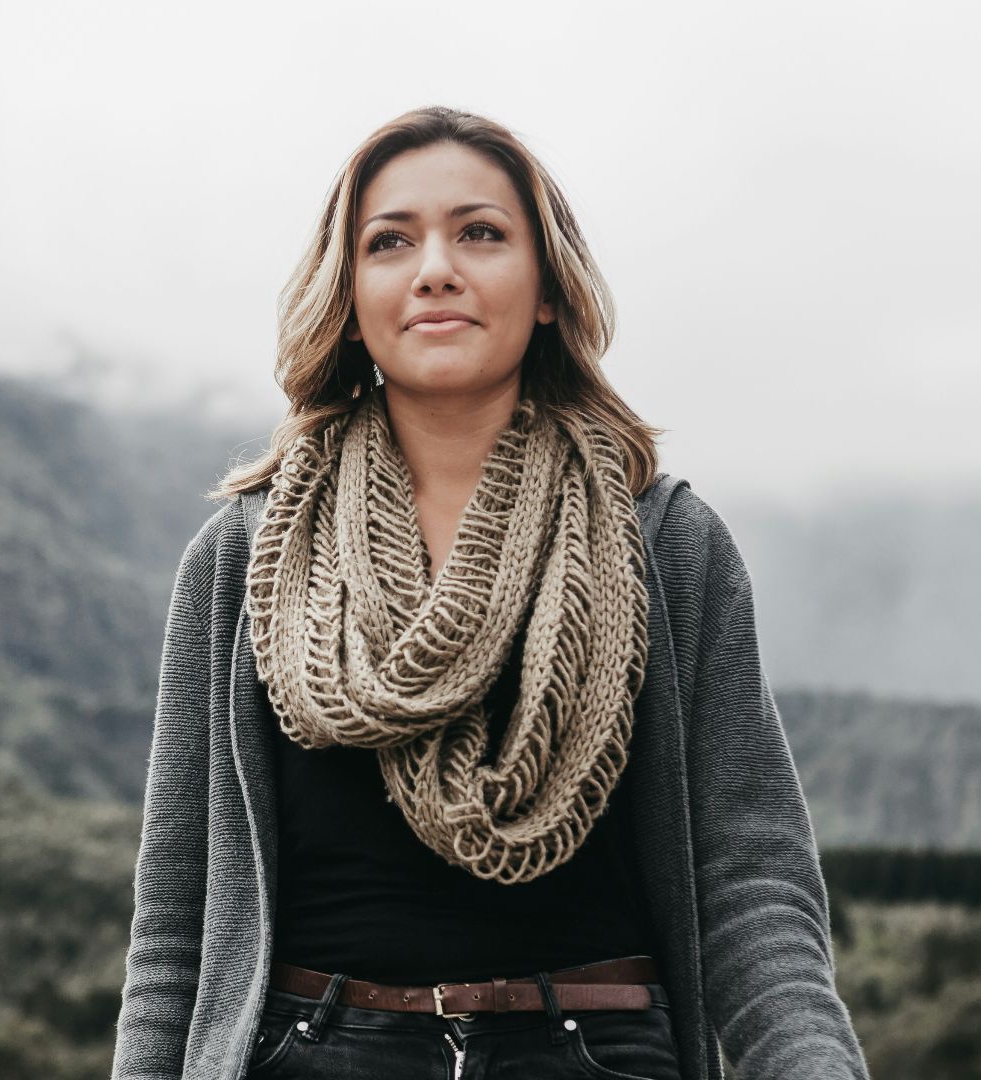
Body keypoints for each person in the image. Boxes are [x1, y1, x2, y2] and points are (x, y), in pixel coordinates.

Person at [109, 105, 869, 1080]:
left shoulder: (665, 541)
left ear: (548, 287)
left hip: (594, 1051)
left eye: (480, 233)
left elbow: (752, 884)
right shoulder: (245, 556)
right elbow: (175, 921)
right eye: (390, 242)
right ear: (349, 294)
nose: (435, 268)